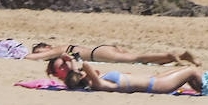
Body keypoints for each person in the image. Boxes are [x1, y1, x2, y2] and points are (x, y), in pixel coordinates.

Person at [55, 54, 203, 94]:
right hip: (157, 85)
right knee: (191, 71)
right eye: (80, 73)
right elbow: (86, 65)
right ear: (82, 77)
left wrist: (72, 63)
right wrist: (75, 65)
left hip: (154, 79)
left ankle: (203, 88)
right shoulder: (98, 84)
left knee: (189, 72)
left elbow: (83, 71)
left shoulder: (96, 82)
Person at [28, 42, 198, 67]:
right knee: (141, 60)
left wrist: (27, 55)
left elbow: (34, 57)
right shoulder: (63, 47)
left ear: (46, 46)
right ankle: (182, 56)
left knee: (136, 59)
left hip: (97, 54)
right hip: (102, 49)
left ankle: (172, 54)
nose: (40, 54)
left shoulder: (58, 48)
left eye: (39, 50)